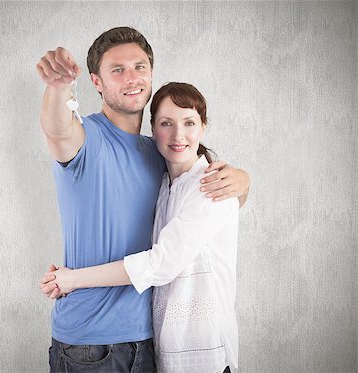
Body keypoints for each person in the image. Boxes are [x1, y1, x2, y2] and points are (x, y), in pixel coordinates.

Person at [36, 27, 249, 372]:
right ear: (96, 82)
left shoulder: (161, 152)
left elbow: (205, 202)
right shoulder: (86, 138)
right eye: (117, 70)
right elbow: (57, 129)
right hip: (90, 343)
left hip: (150, 341)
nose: (131, 78)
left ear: (151, 75)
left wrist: (243, 181)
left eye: (139, 67)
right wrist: (58, 87)